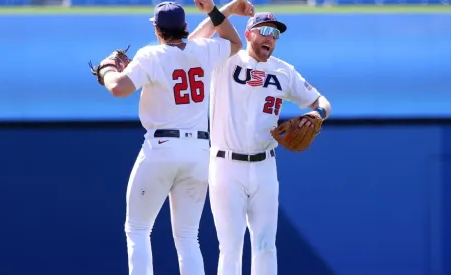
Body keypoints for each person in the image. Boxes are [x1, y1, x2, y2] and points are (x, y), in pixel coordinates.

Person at [93, 1, 242, 274]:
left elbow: (118, 88)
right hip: (198, 151)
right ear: (184, 27)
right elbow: (233, 41)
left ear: (157, 30)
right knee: (187, 237)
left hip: (161, 147)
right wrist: (220, 10)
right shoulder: (203, 49)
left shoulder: (150, 55)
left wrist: (106, 69)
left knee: (137, 228)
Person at [189, 5, 332, 275]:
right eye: (265, 31)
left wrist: (317, 113)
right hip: (226, 165)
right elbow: (194, 44)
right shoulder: (225, 60)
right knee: (230, 247)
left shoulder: (284, 71)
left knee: (266, 245)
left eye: (276, 34)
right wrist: (228, 9)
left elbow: (323, 101)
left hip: (265, 166)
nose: (271, 38)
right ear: (248, 34)